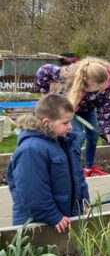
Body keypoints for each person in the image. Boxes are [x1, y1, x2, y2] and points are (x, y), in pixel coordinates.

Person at [7, 94, 90, 233]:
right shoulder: (31, 150)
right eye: (65, 123)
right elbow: (32, 191)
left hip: (64, 218)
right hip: (38, 223)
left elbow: (77, 174)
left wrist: (84, 200)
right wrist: (53, 216)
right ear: (46, 123)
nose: (70, 127)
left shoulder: (65, 142)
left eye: (71, 121)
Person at [34, 57, 110, 177]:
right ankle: (72, 168)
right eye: (97, 88)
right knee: (77, 136)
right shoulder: (70, 73)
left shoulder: (106, 76)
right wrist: (44, 92)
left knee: (94, 135)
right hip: (69, 107)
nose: (100, 90)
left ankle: (89, 168)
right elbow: (44, 70)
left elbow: (104, 104)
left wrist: (106, 130)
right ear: (85, 81)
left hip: (87, 108)